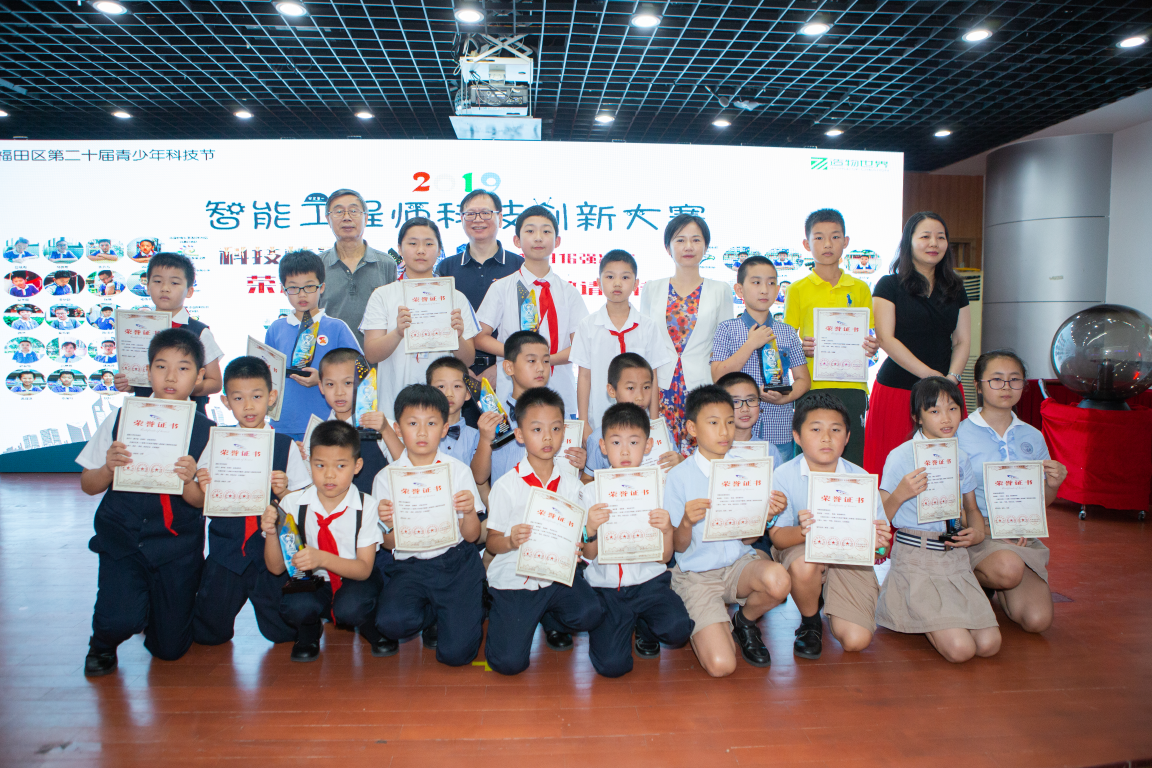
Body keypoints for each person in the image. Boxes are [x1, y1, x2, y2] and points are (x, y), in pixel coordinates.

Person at [76, 328, 215, 676]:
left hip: (176, 546)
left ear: (199, 376)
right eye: (161, 366)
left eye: (183, 368)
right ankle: (102, 643)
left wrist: (188, 481)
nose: (171, 377)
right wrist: (108, 468)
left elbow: (201, 502)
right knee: (120, 619)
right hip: (122, 537)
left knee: (169, 650)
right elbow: (88, 485)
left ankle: (153, 608)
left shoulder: (207, 431)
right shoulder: (120, 419)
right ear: (147, 370)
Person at [665, 385, 790, 677]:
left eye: (729, 422)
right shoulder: (678, 477)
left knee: (779, 581)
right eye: (713, 422)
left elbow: (748, 539)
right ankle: (708, 615)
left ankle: (743, 621)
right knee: (722, 665)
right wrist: (686, 523)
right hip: (697, 575)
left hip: (737, 565)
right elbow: (678, 548)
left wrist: (766, 516)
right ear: (692, 429)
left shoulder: (745, 471)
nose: (724, 431)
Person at [185, 357, 310, 647]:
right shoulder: (218, 442)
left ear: (271, 397)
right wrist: (198, 483)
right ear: (226, 402)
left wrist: (284, 492)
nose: (249, 406)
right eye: (238, 398)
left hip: (271, 555)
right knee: (208, 634)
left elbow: (303, 506)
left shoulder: (285, 446)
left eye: (256, 396)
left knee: (285, 633)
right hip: (226, 550)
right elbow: (200, 498)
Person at [876, 376, 1000, 663]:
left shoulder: (960, 457)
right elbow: (880, 517)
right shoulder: (901, 456)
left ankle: (929, 616)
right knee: (961, 650)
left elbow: (971, 509)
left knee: (989, 644)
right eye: (934, 411)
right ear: (917, 417)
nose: (946, 418)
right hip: (916, 557)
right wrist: (901, 493)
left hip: (954, 557)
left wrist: (977, 532)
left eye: (953, 409)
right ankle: (905, 604)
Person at [483, 387, 604, 675]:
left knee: (590, 613)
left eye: (556, 428)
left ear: (564, 432)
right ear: (520, 434)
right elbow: (492, 543)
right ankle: (509, 613)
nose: (548, 437)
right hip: (515, 580)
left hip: (556, 577)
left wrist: (586, 535)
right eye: (537, 429)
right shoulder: (506, 485)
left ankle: (550, 617)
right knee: (508, 664)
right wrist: (511, 540)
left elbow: (584, 544)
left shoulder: (572, 485)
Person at [766, 392, 892, 659]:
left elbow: (880, 551)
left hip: (848, 560)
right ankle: (810, 621)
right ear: (797, 436)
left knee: (856, 641)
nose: (826, 438)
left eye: (836, 430)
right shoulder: (783, 475)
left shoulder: (861, 479)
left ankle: (825, 595)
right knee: (805, 565)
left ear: (847, 437)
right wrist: (804, 531)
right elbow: (777, 538)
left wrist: (880, 546)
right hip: (802, 551)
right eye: (815, 429)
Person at [374, 384, 486, 666]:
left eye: (432, 423)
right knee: (391, 622)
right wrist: (387, 523)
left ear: (445, 428)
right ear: (398, 429)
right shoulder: (386, 478)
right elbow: (388, 544)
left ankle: (463, 607)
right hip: (411, 566)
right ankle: (436, 611)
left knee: (456, 656)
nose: (422, 432)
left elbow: (472, 536)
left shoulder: (458, 471)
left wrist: (469, 511)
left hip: (456, 563)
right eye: (413, 423)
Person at [957, 350, 1068, 634]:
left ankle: (996, 584)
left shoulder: (1033, 435)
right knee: (1008, 569)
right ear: (978, 386)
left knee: (1037, 621)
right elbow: (948, 500)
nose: (1006, 387)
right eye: (996, 379)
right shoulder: (958, 433)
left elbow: (1040, 503)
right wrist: (985, 529)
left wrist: (1053, 484)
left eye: (1014, 379)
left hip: (1019, 536)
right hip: (974, 532)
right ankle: (969, 576)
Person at [581, 403, 693, 677]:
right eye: (615, 442)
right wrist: (590, 528)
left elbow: (665, 557)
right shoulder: (590, 492)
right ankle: (623, 624)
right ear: (603, 446)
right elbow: (589, 556)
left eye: (633, 442)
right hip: (607, 587)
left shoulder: (660, 488)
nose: (625, 451)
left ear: (648, 445)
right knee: (612, 667)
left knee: (678, 629)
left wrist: (667, 530)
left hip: (649, 582)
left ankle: (644, 624)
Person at [260, 420, 387, 662]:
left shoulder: (367, 506)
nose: (329, 474)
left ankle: (369, 625)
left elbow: (363, 569)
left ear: (357, 466)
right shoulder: (291, 504)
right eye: (320, 465)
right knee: (296, 606)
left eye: (341, 465)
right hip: (311, 579)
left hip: (354, 576)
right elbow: (276, 568)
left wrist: (321, 558)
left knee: (352, 606)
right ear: (309, 464)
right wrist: (272, 533)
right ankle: (308, 631)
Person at [864, 212, 971, 475]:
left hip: (945, 393)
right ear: (908, 242)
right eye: (925, 236)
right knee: (892, 470)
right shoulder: (889, 285)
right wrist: (931, 377)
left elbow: (962, 340)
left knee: (946, 471)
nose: (934, 243)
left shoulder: (956, 287)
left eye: (940, 237)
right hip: (898, 391)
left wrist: (952, 379)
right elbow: (886, 338)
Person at [360, 218, 478, 424]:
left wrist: (457, 336)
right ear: (400, 248)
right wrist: (397, 333)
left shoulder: (455, 296)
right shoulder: (382, 295)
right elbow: (371, 354)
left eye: (429, 243)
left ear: (440, 249)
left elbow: (468, 360)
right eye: (413, 243)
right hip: (394, 408)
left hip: (443, 412)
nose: (421, 250)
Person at [475, 206, 588, 420]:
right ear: (517, 241)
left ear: (557, 241)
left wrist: (544, 360)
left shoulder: (569, 293)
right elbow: (479, 337)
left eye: (546, 231)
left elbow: (581, 345)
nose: (538, 237)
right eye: (530, 231)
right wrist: (519, 357)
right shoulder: (501, 288)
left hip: (560, 393)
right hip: (512, 395)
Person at [787, 209, 880, 466]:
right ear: (806, 244)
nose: (827, 244)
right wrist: (800, 348)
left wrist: (872, 345)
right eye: (819, 238)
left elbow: (871, 334)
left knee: (851, 458)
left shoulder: (860, 288)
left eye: (835, 237)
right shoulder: (797, 289)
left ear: (846, 242)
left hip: (853, 386)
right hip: (811, 385)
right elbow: (785, 341)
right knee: (811, 459)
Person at [640, 215, 734, 455]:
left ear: (706, 246)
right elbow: (645, 344)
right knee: (660, 456)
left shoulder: (720, 290)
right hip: (661, 388)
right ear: (668, 247)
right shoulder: (651, 289)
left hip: (702, 386)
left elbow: (724, 346)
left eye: (696, 240)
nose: (688, 247)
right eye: (680, 240)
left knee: (702, 455)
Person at [711, 255, 810, 460]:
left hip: (779, 428)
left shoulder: (787, 332)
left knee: (778, 479)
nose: (765, 289)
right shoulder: (727, 329)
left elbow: (803, 380)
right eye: (756, 282)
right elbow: (718, 376)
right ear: (739, 290)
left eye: (771, 283)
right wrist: (751, 344)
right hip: (735, 431)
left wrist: (785, 398)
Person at [264, 250, 361, 441]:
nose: (302, 294)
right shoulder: (276, 329)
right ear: (283, 289)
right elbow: (267, 374)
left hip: (326, 422)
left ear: (321, 287)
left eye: (309, 287)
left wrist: (322, 380)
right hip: (283, 422)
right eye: (293, 288)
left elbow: (361, 370)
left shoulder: (336, 328)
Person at [571, 249, 670, 435]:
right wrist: (583, 421)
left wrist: (654, 421)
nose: (617, 283)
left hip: (640, 421)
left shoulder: (648, 326)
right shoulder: (587, 326)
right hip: (599, 420)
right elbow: (584, 376)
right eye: (610, 277)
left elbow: (653, 377)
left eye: (625, 277)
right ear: (598, 282)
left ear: (636, 284)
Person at [470, 330, 585, 487]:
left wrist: (580, 461)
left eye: (546, 361)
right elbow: (478, 477)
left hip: (550, 500)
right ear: (509, 367)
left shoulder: (558, 415)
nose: (541, 368)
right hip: (509, 501)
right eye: (532, 361)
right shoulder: (494, 418)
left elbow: (568, 468)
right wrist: (485, 439)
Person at [113, 253, 224, 414]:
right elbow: (142, 378)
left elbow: (215, 382)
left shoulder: (199, 332)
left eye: (174, 283)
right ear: (147, 286)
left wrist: (181, 387)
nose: (165, 288)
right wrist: (128, 384)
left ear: (189, 291)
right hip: (145, 416)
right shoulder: (136, 329)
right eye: (157, 281)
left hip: (188, 417)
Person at [436, 190, 524, 388]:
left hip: (508, 369)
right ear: (461, 219)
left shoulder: (519, 266)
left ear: (500, 218)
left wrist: (501, 367)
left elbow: (528, 323)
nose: (478, 219)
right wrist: (459, 368)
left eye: (485, 213)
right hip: (455, 373)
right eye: (470, 214)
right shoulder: (446, 268)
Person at [582, 353, 684, 480]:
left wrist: (681, 462)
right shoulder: (598, 437)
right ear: (612, 390)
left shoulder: (661, 432)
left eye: (646, 387)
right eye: (630, 388)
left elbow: (678, 475)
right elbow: (586, 479)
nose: (640, 396)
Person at [318, 188, 397, 347]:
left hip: (377, 358)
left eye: (354, 211)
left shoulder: (386, 263)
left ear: (366, 218)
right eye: (339, 212)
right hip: (329, 357)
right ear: (328, 219)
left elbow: (393, 316)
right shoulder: (317, 264)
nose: (347, 217)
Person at [316, 347, 396, 494]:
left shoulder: (382, 425)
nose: (339, 392)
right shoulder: (317, 431)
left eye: (348, 383)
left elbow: (406, 465)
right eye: (330, 384)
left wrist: (386, 430)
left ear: (364, 383)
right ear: (321, 387)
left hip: (378, 506)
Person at [426, 356, 480, 465]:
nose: (449, 394)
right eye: (441, 386)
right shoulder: (421, 433)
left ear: (467, 393)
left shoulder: (477, 437)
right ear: (428, 393)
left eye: (457, 386)